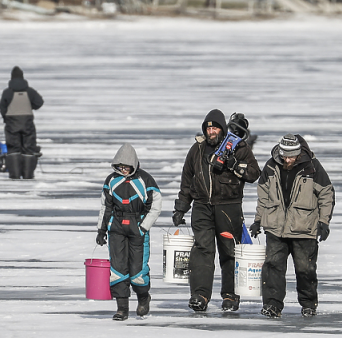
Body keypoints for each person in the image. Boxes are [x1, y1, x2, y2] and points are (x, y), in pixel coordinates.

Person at [172, 109, 260, 312]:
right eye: (208, 128)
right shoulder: (197, 149)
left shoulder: (238, 147)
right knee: (202, 250)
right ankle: (200, 295)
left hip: (228, 207)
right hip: (201, 206)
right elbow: (187, 180)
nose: (211, 131)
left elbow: (254, 173)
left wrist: (234, 165)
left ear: (222, 129)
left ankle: (230, 296)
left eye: (215, 128)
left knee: (229, 252)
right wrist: (181, 208)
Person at [250, 133, 335, 318]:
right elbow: (263, 196)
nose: (287, 159)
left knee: (305, 269)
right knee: (272, 267)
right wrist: (258, 220)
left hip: (303, 227)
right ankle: (272, 305)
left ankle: (308, 304)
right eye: (284, 155)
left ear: (298, 154)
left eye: (291, 156)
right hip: (275, 226)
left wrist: (323, 222)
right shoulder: (271, 166)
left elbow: (326, 194)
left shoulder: (312, 167)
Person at [96, 143, 162, 321]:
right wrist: (101, 230)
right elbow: (105, 207)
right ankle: (122, 308)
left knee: (137, 270)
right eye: (120, 167)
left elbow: (155, 206)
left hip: (137, 227)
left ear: (133, 165)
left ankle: (143, 298)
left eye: (126, 167)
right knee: (118, 269)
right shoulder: (111, 181)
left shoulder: (145, 181)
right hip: (116, 228)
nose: (123, 170)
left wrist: (143, 226)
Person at [0, 66, 44, 179]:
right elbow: (39, 102)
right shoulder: (30, 91)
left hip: (11, 122)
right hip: (27, 121)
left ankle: (15, 175)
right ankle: (28, 174)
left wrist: (5, 118)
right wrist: (30, 106)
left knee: (13, 147)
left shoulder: (7, 92)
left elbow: (2, 106)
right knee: (28, 147)